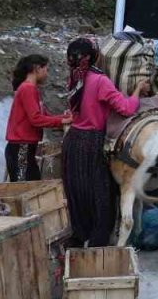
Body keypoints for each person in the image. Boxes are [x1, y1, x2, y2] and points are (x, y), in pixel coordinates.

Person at [62, 38, 146, 247]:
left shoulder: (73, 79)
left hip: (72, 142)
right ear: (94, 57)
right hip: (93, 143)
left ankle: (79, 236)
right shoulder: (100, 81)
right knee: (101, 193)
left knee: (77, 192)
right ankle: (98, 242)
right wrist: (137, 91)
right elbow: (126, 108)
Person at [5, 55, 70, 182]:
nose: (47, 74)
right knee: (25, 187)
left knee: (30, 182)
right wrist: (62, 121)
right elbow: (36, 119)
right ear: (37, 68)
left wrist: (66, 117)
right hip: (21, 148)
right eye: (46, 69)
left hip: (24, 148)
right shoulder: (28, 89)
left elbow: (44, 117)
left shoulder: (31, 89)